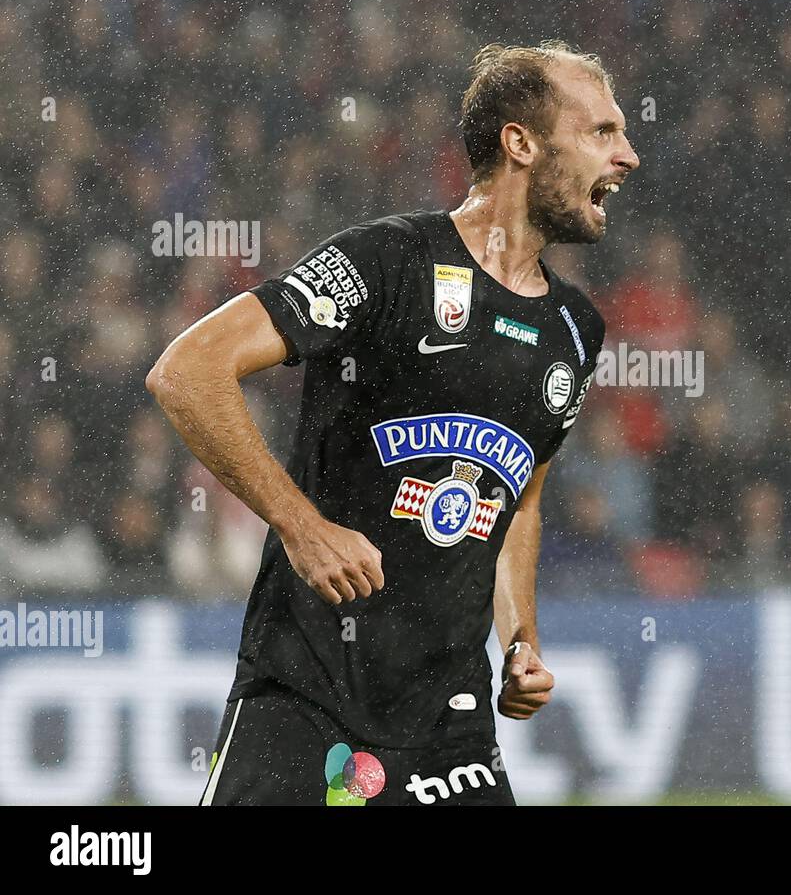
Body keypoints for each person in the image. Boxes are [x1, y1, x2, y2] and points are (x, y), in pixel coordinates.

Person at [147, 40, 638, 805]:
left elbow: (520, 501)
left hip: (453, 725)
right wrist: (301, 527)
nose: (628, 155)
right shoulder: (388, 262)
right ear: (521, 143)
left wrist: (521, 641)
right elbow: (187, 371)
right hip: (308, 694)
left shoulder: (577, 330)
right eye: (602, 132)